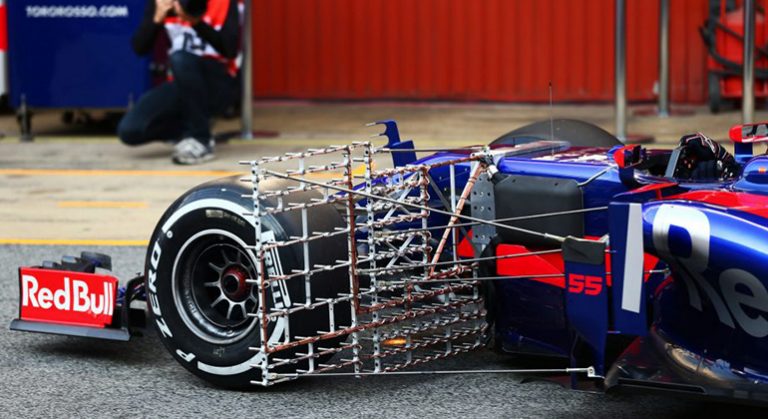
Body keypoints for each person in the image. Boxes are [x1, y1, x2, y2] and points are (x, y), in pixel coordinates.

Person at [118, 0, 240, 164]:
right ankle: (191, 130)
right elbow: (139, 47)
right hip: (181, 82)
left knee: (180, 58)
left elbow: (230, 49)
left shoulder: (223, 3)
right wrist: (157, 17)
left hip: (217, 81)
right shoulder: (164, 2)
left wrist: (196, 22)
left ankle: (201, 139)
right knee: (129, 130)